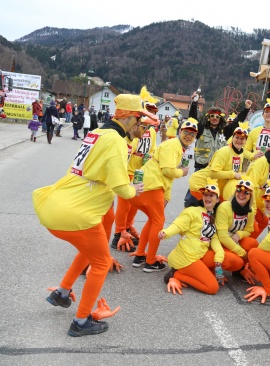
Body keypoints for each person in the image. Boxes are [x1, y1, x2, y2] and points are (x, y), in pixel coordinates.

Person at [34, 94, 146, 337]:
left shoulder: (98, 133)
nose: (144, 126)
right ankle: (81, 321)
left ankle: (62, 293)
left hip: (58, 205)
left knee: (90, 251)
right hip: (77, 213)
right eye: (141, 119)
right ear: (128, 118)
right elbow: (119, 186)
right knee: (101, 263)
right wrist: (132, 189)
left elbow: (93, 169)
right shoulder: (116, 140)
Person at [129, 119, 198, 272]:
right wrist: (182, 172)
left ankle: (140, 255)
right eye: (186, 132)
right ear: (180, 131)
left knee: (154, 219)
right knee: (159, 221)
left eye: (192, 134)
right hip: (151, 186)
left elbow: (167, 175)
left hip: (148, 186)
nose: (188, 136)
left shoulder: (177, 147)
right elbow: (167, 170)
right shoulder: (173, 145)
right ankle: (150, 261)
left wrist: (167, 197)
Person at [162, 179, 229, 296]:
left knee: (230, 260)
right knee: (212, 288)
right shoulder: (193, 211)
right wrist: (166, 232)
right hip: (186, 257)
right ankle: (176, 274)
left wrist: (219, 254)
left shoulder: (212, 216)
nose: (208, 198)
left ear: (217, 199)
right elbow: (179, 225)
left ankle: (196, 271)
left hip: (198, 254)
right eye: (205, 195)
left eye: (211, 195)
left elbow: (214, 238)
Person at [111, 112, 159, 252]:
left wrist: (149, 157)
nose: (145, 128)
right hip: (128, 171)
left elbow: (152, 148)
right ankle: (118, 233)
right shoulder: (131, 135)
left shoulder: (151, 131)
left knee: (134, 205)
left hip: (140, 172)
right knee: (124, 205)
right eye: (143, 125)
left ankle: (127, 227)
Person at [187, 121, 249, 205]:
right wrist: (233, 174)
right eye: (237, 137)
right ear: (232, 137)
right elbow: (213, 173)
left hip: (215, 188)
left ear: (246, 141)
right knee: (199, 214)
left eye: (242, 138)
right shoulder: (224, 151)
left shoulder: (240, 153)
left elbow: (236, 172)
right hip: (201, 184)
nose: (239, 140)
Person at [215, 179, 259, 283]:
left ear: (251, 195)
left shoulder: (250, 210)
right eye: (239, 190)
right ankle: (214, 268)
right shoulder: (225, 207)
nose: (241, 194)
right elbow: (222, 236)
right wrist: (241, 253)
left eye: (246, 192)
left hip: (234, 240)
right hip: (219, 242)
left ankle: (239, 271)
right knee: (236, 261)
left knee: (252, 243)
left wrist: (239, 234)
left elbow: (249, 230)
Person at [190, 102, 227, 171]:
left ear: (220, 119)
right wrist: (194, 103)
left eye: (217, 117)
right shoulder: (201, 129)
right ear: (208, 117)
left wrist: (246, 109)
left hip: (218, 169)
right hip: (201, 167)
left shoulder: (224, 132)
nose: (214, 118)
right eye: (212, 116)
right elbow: (193, 119)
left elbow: (236, 123)